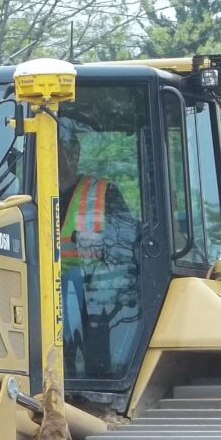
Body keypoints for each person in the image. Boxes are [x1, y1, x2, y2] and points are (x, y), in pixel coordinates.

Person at [57, 132, 140, 378]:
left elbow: (126, 245)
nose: (62, 157)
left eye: (67, 150)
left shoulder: (103, 193)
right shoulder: (28, 193)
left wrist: (102, 245)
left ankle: (96, 378)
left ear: (76, 154)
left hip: (97, 299)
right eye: (56, 148)